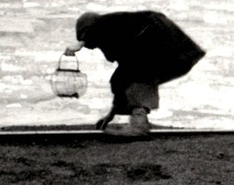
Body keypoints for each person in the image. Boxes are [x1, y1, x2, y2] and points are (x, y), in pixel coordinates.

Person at [64, 10, 205, 139]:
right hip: (175, 45)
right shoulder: (118, 30)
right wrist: (110, 116)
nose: (94, 47)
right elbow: (120, 78)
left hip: (157, 36)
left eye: (91, 44)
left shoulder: (104, 26)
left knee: (138, 74)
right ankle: (139, 119)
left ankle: (139, 125)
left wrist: (79, 45)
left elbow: (96, 36)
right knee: (129, 76)